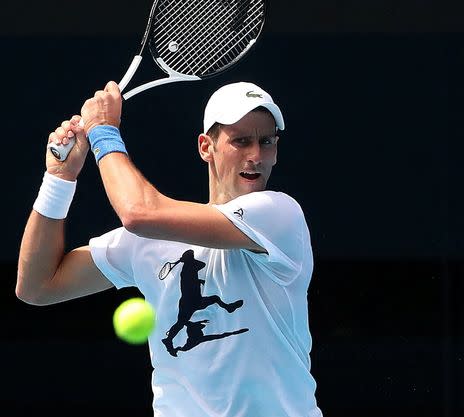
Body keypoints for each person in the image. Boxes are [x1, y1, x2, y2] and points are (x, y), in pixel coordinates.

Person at [17, 80, 323, 417]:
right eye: (241, 141)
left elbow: (138, 212)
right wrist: (60, 178)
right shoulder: (147, 241)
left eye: (266, 142)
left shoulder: (279, 215)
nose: (255, 155)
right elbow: (37, 286)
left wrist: (104, 132)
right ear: (206, 147)